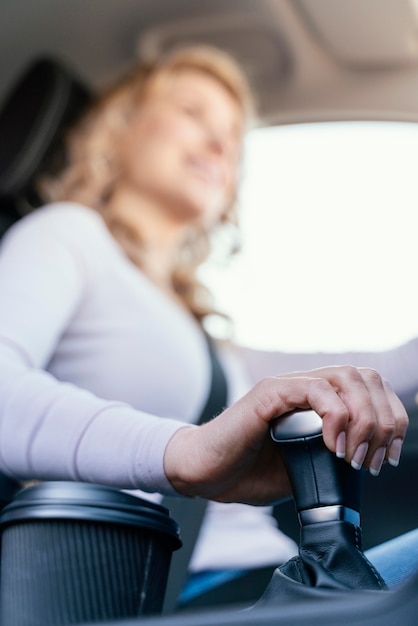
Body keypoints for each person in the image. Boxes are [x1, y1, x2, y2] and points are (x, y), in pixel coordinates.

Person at [0, 44, 416, 609]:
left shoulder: (196, 331)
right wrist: (183, 450)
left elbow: (378, 369)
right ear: (121, 127)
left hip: (272, 578)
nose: (221, 143)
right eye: (193, 111)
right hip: (181, 592)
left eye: (232, 134)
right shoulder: (67, 235)